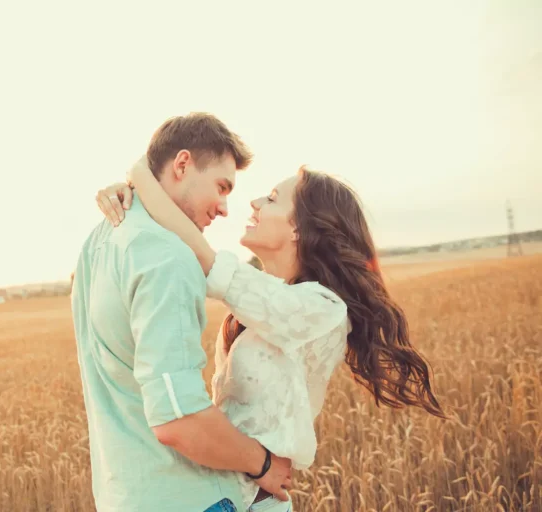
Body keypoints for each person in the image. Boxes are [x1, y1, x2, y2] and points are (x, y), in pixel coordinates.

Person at [95, 156, 447, 511]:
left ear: (299, 228)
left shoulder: (324, 310)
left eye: (273, 198)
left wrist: (140, 176)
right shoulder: (264, 300)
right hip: (221, 495)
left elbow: (202, 257)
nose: (255, 202)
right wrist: (132, 205)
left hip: (254, 503)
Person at [71, 113, 295, 512]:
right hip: (185, 498)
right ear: (182, 165)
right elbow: (179, 420)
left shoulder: (100, 239)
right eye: (221, 187)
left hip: (122, 495)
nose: (225, 208)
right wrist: (262, 464)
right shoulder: (168, 258)